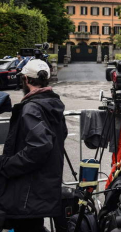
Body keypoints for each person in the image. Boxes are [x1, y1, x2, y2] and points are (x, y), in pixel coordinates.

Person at [0, 59, 68, 232]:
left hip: (27, 190)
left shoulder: (32, 108)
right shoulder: (53, 103)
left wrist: (8, 165)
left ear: (26, 80)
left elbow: (40, 145)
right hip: (42, 187)